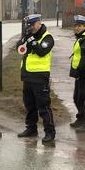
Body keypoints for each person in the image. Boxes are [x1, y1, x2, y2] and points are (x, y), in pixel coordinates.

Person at [16, 14, 56, 143]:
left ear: (39, 23)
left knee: (43, 106)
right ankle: (31, 128)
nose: (31, 27)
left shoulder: (47, 37)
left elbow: (41, 51)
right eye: (29, 25)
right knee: (30, 105)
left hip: (40, 77)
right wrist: (24, 41)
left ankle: (50, 132)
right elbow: (19, 48)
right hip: (27, 76)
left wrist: (32, 41)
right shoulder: (29, 36)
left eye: (33, 25)